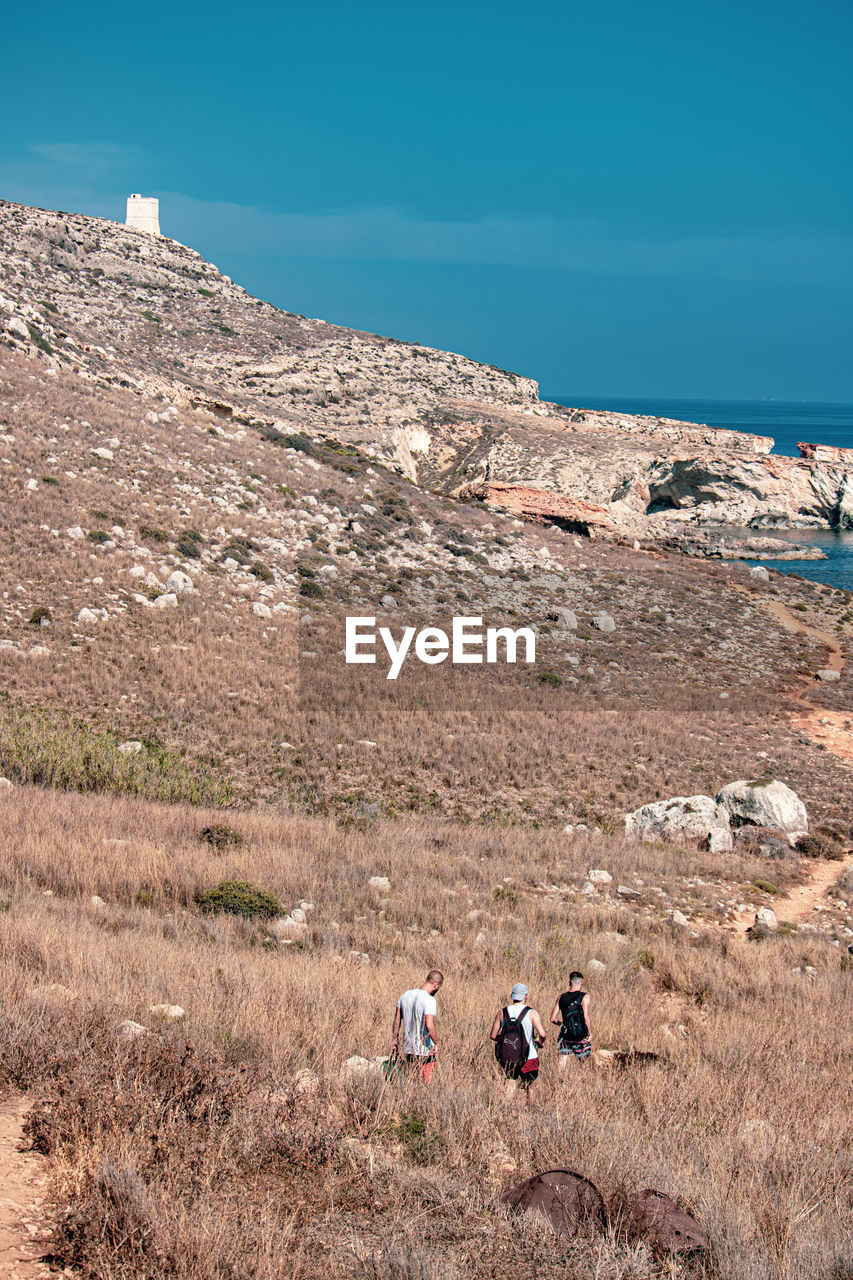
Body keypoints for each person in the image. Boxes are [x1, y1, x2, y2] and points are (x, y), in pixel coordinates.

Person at [490, 982, 547, 1105]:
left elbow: (493, 1036)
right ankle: (531, 1112)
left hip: (509, 1056)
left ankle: (507, 1111)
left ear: (512, 996)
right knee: (531, 1087)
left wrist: (508, 1042)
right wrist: (540, 1043)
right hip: (529, 1056)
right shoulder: (532, 1013)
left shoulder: (502, 1012)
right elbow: (542, 1034)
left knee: (511, 1082)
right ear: (525, 996)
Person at [391, 970, 443, 1082]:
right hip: (425, 1050)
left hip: (408, 1048)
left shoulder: (405, 995)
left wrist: (394, 1039)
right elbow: (429, 1025)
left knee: (412, 1082)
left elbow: (396, 1021)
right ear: (435, 985)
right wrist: (437, 1042)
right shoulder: (430, 1000)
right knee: (426, 1086)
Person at [550, 971, 591, 1069]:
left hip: (566, 1033)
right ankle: (584, 1080)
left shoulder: (561, 997)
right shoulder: (585, 997)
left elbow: (552, 1019)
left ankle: (558, 1080)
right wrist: (590, 1033)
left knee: (563, 1058)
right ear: (581, 982)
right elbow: (586, 1017)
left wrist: (561, 1025)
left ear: (569, 983)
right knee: (583, 1060)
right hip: (580, 1034)